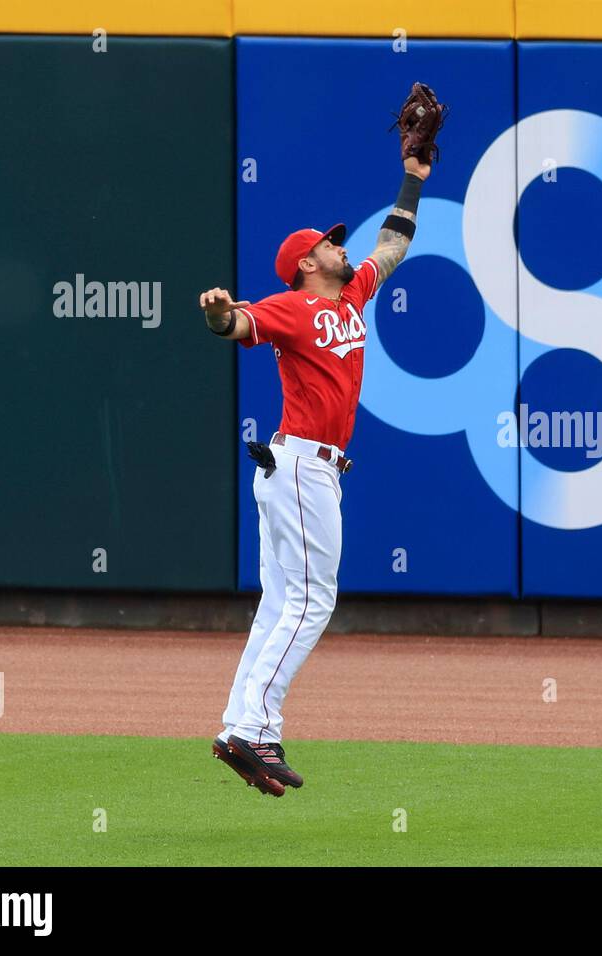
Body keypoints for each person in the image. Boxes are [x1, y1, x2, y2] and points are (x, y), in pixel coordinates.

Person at [196, 137, 432, 797]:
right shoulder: (293, 307)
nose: (340, 244)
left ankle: (241, 725)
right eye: (328, 242)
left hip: (304, 470)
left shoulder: (352, 294)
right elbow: (240, 326)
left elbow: (393, 244)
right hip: (300, 465)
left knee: (280, 603)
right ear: (306, 262)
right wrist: (218, 315)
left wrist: (412, 176)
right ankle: (257, 731)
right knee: (310, 601)